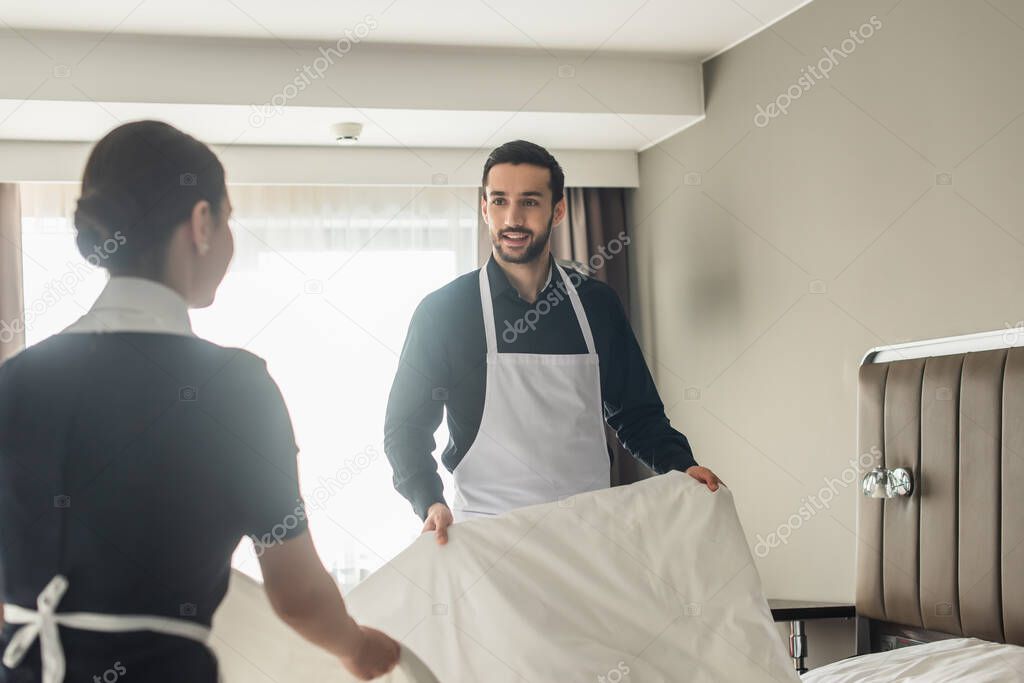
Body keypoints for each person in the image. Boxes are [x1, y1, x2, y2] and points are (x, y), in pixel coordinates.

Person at [0, 121, 399, 682]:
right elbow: (296, 593)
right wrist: (356, 648)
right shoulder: (236, 389)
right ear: (202, 223)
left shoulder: (15, 381)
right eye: (228, 218)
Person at [384, 140, 723, 544]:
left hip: (591, 536)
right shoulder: (444, 312)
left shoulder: (597, 305)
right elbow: (404, 429)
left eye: (529, 202)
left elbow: (637, 415)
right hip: (487, 538)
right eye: (499, 201)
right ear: (484, 209)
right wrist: (429, 500)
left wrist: (681, 466)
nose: (512, 218)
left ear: (557, 210)